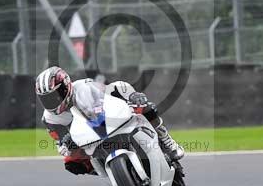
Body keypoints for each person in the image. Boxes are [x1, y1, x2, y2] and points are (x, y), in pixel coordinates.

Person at [35, 66, 185, 175]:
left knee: (141, 102)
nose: (52, 101)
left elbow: (113, 91)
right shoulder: (49, 119)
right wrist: (65, 144)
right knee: (71, 163)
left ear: (66, 86)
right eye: (46, 99)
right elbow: (60, 143)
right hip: (87, 141)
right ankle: (111, 173)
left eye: (55, 95)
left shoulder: (84, 86)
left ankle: (166, 140)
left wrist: (132, 98)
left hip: (106, 121)